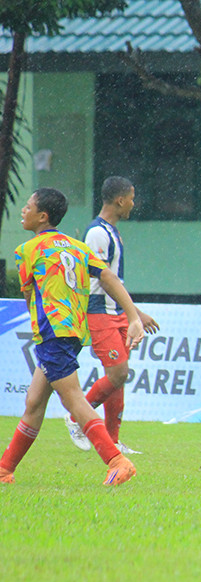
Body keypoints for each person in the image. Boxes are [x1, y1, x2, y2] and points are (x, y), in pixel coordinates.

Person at [0, 188, 145, 486]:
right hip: (74, 331)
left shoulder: (28, 251)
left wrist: (41, 332)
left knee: (74, 400)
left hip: (52, 332)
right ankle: (4, 470)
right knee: (34, 402)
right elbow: (108, 277)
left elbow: (30, 299)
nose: (23, 211)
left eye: (28, 207)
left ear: (43, 216)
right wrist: (133, 316)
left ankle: (117, 461)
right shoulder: (76, 247)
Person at [63, 176, 158, 454]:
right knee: (119, 372)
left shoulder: (111, 231)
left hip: (114, 311)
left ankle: (113, 440)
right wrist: (133, 315)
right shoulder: (97, 233)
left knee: (118, 375)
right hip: (99, 311)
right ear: (120, 200)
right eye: (131, 198)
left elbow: (115, 281)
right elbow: (103, 280)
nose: (133, 204)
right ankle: (76, 418)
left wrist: (135, 313)